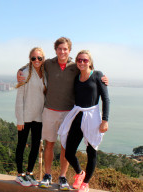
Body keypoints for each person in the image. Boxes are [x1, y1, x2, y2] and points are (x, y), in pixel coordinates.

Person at [17, 37, 108, 190]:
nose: (62, 51)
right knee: (49, 144)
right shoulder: (49, 64)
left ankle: (63, 177)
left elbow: (90, 71)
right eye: (59, 48)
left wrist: (103, 78)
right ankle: (47, 175)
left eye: (65, 49)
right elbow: (35, 63)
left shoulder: (75, 66)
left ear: (69, 50)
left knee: (65, 146)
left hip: (68, 113)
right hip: (50, 111)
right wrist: (20, 70)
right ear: (55, 50)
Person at [58, 50, 110, 192]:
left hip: (92, 116)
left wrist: (105, 120)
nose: (81, 62)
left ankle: (85, 183)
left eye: (85, 60)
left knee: (91, 150)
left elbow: (106, 98)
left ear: (90, 62)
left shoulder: (98, 76)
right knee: (69, 152)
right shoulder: (77, 77)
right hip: (78, 114)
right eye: (79, 60)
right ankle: (80, 173)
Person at [15, 47, 46, 187]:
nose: (36, 60)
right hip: (25, 117)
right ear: (30, 59)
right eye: (33, 58)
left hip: (39, 117)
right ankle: (20, 174)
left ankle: (29, 172)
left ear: (43, 59)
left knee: (35, 146)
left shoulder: (46, 74)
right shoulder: (25, 74)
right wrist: (19, 119)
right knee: (21, 145)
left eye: (39, 58)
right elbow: (19, 98)